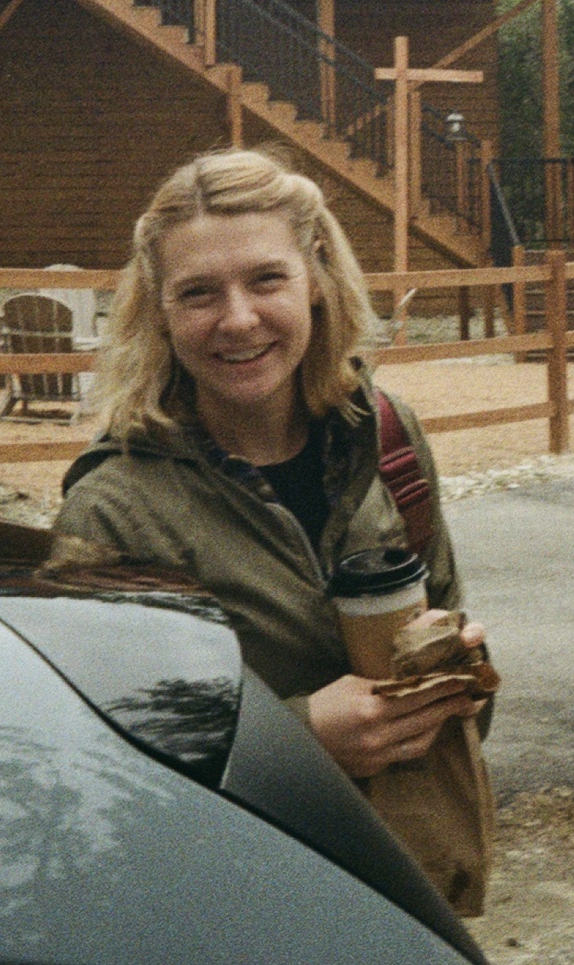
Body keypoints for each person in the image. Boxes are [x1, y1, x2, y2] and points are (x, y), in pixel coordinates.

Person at [54, 147, 489, 794]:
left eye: (266, 279)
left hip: (412, 870)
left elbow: (455, 638)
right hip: (241, 882)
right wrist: (295, 739)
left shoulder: (388, 437)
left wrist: (460, 678)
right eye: (198, 292)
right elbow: (90, 753)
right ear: (161, 312)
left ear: (313, 279)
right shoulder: (112, 511)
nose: (237, 318)